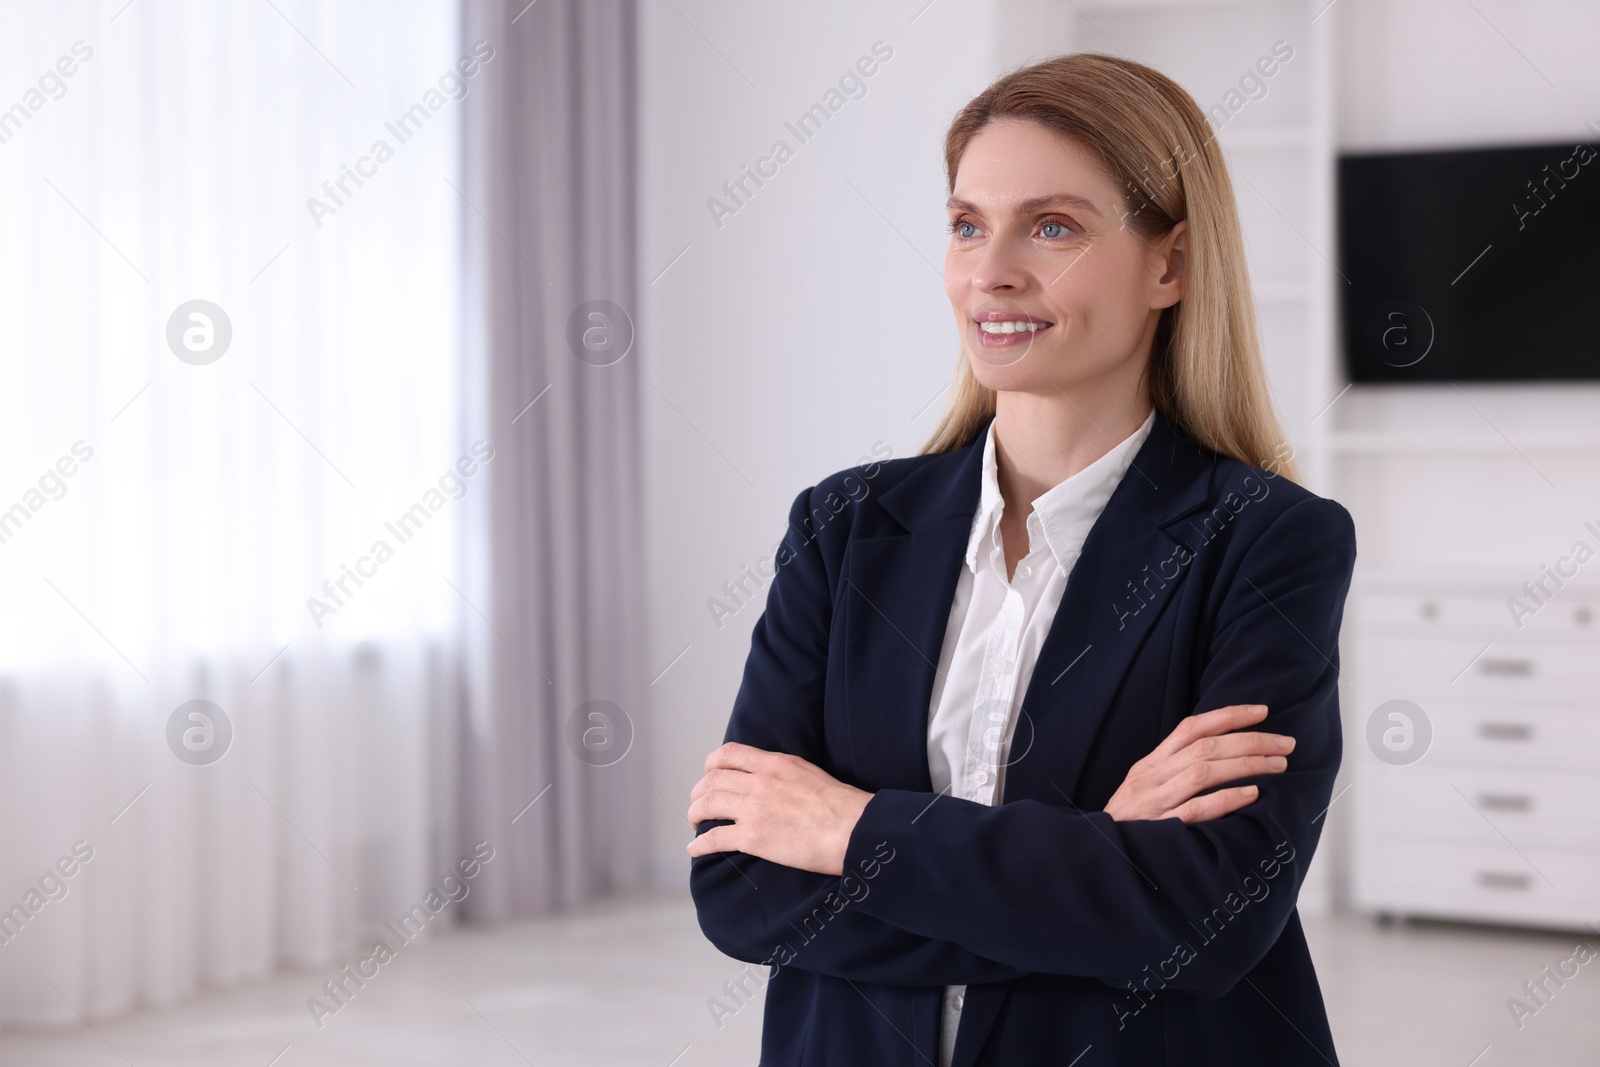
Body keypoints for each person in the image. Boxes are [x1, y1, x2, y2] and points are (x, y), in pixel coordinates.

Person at [686, 51, 1355, 1067]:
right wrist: (1095, 856)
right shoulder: (842, 526)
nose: (989, 270)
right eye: (965, 224)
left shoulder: (1268, 539)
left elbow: (1209, 915)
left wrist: (850, 828)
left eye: (1052, 226)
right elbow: (741, 886)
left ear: (1170, 263)